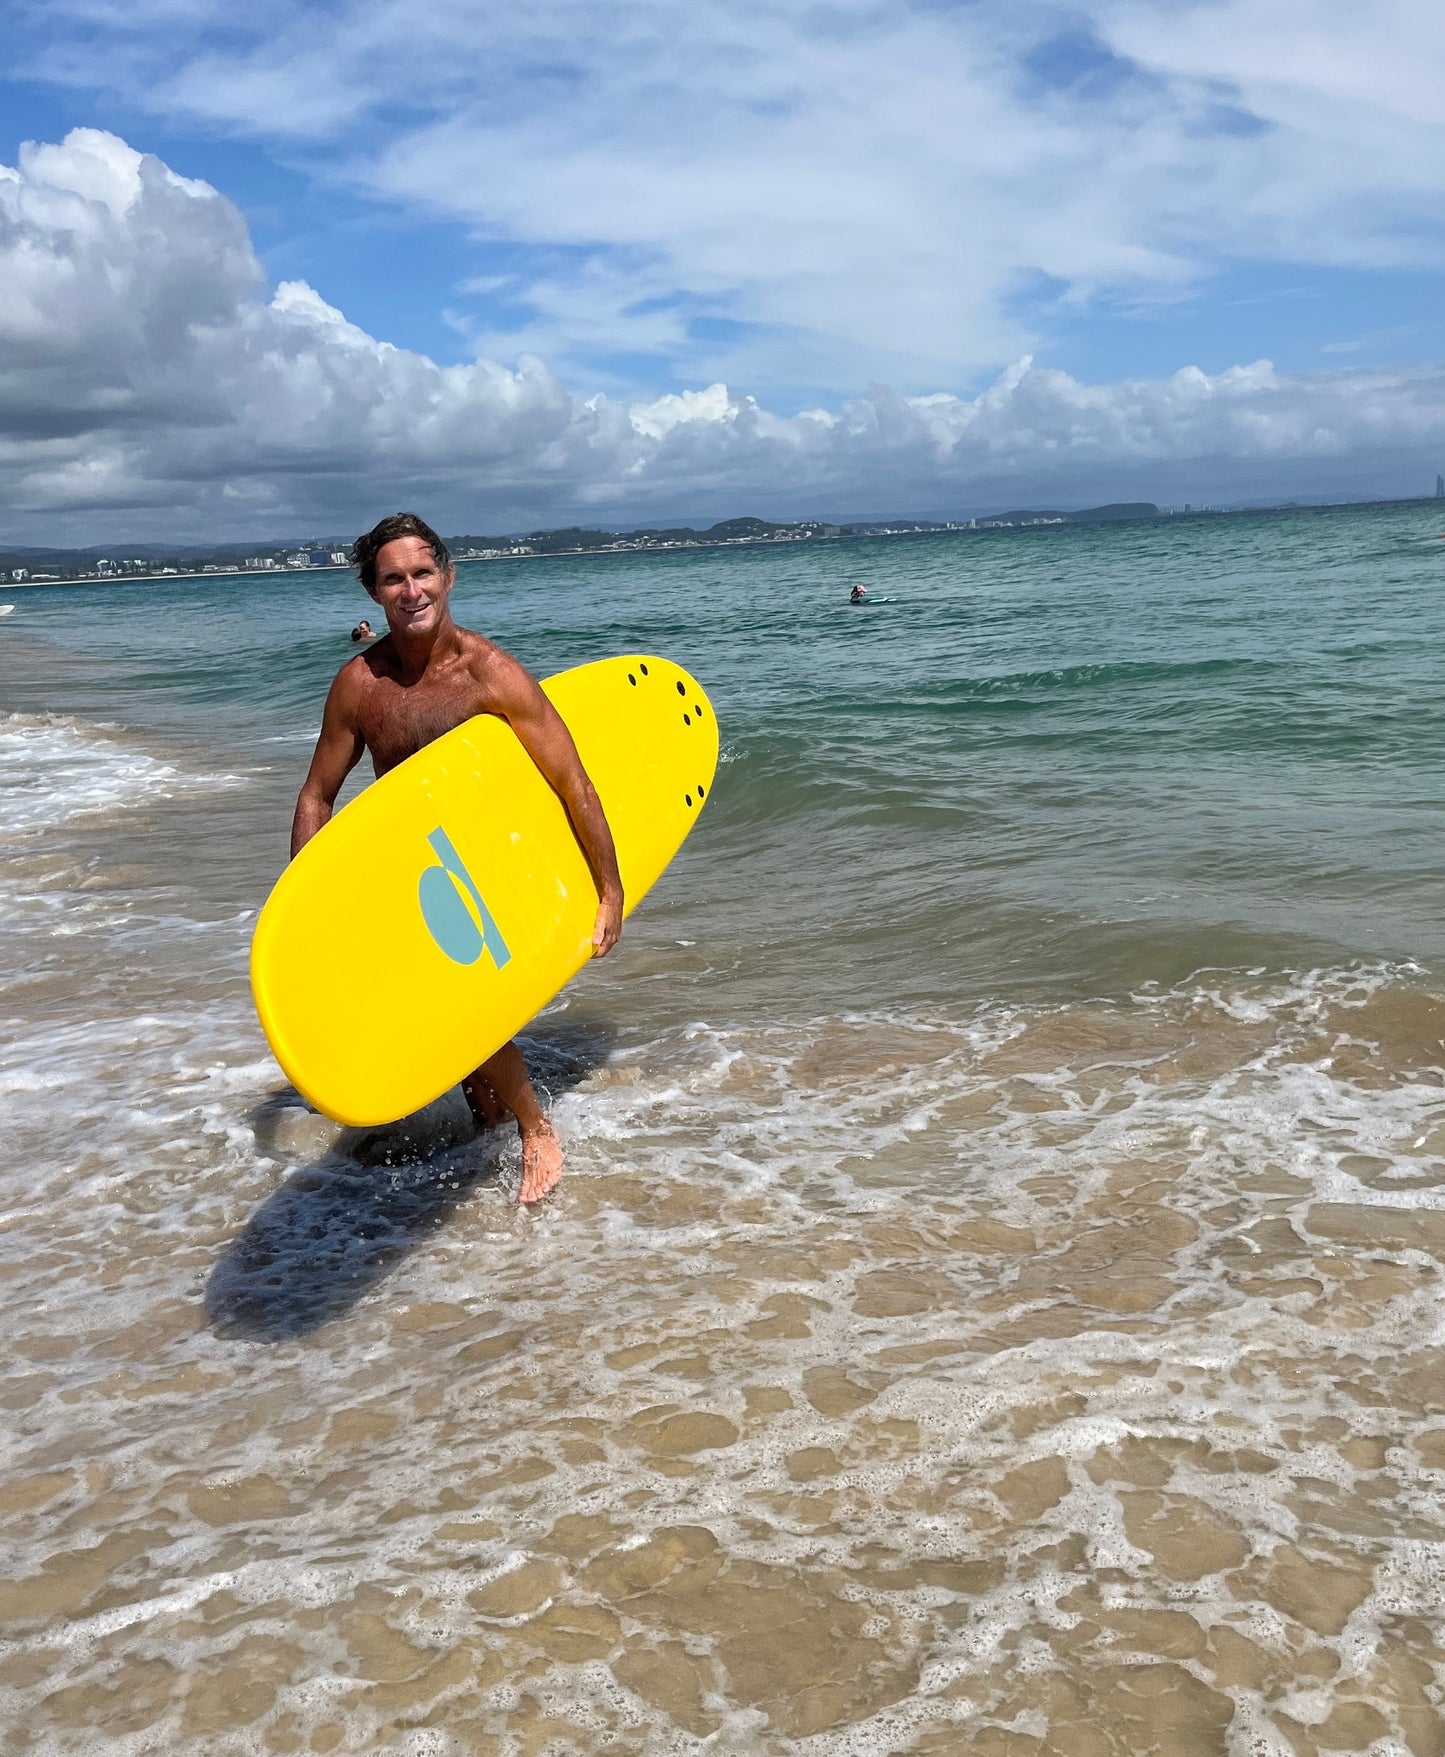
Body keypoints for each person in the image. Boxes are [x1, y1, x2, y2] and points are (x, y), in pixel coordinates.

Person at [292, 512, 624, 1204]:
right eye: (393, 579)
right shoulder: (360, 684)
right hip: (410, 867)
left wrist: (609, 890)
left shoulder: (490, 674)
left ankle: (534, 1126)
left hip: (486, 862)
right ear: (373, 592)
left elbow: (573, 783)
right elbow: (317, 796)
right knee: (454, 1039)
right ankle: (489, 1123)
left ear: (447, 576)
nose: (410, 590)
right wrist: (309, 902)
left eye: (422, 572)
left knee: (458, 1009)